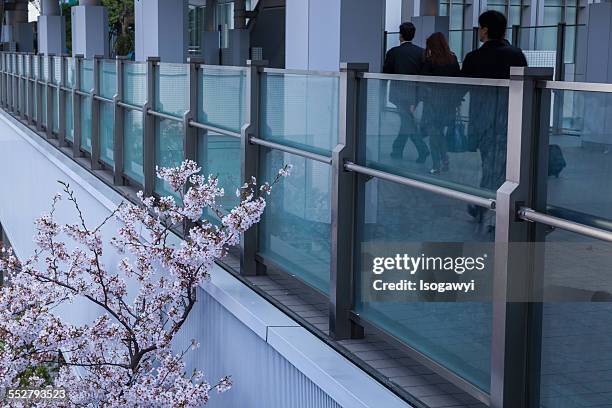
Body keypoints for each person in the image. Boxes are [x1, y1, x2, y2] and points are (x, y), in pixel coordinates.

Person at [461, 10, 527, 223]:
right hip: (510, 120)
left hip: (482, 123)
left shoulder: (473, 58)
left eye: (480, 27)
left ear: (485, 29)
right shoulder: (516, 55)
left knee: (490, 166)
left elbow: (460, 88)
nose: (479, 31)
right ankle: (486, 208)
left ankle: (488, 209)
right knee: (500, 167)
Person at [383, 22, 430, 162]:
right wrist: (417, 98)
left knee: (407, 122)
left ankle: (422, 149)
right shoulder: (421, 52)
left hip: (398, 95)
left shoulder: (393, 52)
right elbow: (424, 77)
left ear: (400, 35)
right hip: (414, 94)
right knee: (407, 122)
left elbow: (386, 74)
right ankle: (397, 150)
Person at [420, 32, 460, 174]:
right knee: (439, 133)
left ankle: (437, 163)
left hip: (433, 104)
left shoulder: (430, 61)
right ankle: (444, 160)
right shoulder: (453, 59)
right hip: (448, 104)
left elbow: (423, 80)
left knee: (433, 135)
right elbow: (458, 80)